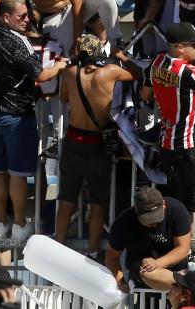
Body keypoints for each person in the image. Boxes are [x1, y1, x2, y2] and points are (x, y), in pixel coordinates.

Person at [0, 0, 68, 241]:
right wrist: (60, 66)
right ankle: (18, 224)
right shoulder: (18, 42)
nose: (28, 20)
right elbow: (41, 75)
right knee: (17, 174)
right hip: (15, 116)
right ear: (6, 17)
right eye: (22, 16)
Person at [56, 35, 140, 259]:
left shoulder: (69, 73)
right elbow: (137, 73)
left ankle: (58, 245)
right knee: (97, 200)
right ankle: (93, 249)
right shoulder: (110, 72)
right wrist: (123, 56)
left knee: (66, 199)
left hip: (74, 140)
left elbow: (64, 98)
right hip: (97, 143)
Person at [141, 22, 195, 213]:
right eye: (194, 45)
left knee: (175, 199)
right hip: (190, 145)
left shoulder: (156, 63)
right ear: (180, 48)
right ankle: (184, 242)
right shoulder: (189, 71)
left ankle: (178, 240)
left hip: (167, 144)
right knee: (193, 204)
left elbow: (145, 94)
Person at [105, 187, 191, 292]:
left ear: (163, 205)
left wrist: (157, 263)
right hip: (142, 273)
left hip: (176, 270)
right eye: (148, 219)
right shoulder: (123, 222)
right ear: (136, 212)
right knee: (146, 272)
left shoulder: (176, 210)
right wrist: (120, 281)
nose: (153, 223)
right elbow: (111, 256)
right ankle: (186, 288)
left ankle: (186, 287)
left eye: (157, 217)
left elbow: (183, 248)